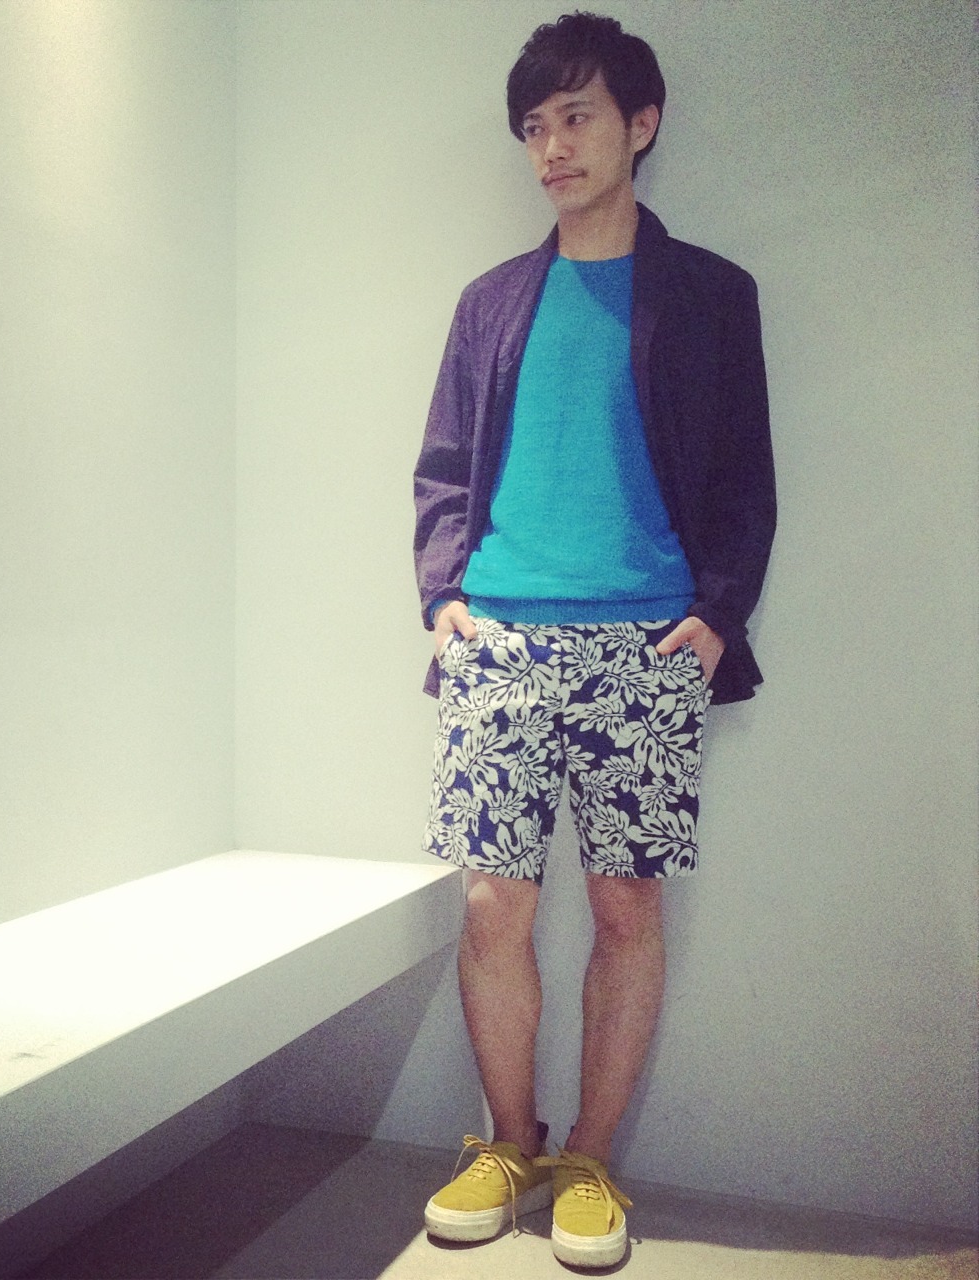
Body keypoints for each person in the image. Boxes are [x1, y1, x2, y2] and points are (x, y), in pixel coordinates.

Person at [412, 12, 775, 1270]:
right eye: (532, 126)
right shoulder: (490, 302)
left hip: (644, 645)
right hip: (499, 637)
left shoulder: (710, 295)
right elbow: (442, 467)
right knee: (490, 901)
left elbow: (743, 478)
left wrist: (714, 612)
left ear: (640, 123)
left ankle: (589, 1159)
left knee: (625, 904)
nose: (550, 146)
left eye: (574, 116)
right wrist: (441, 600)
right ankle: (508, 1141)